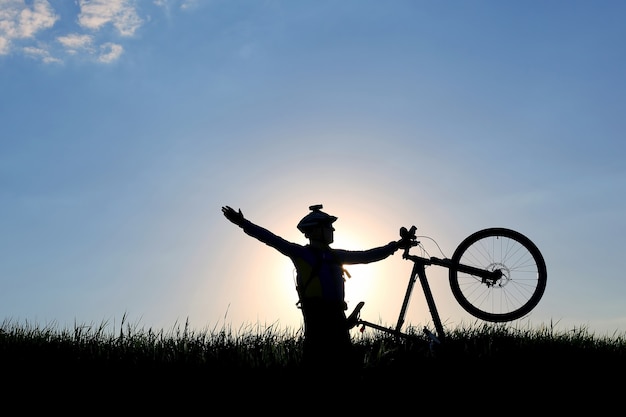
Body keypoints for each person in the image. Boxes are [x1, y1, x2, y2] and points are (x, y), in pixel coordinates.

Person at [221, 204, 416, 372]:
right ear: (315, 230)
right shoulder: (301, 253)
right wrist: (242, 223)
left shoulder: (336, 255)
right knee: (317, 370)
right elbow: (271, 238)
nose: (332, 230)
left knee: (347, 370)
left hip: (338, 320)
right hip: (317, 321)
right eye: (328, 226)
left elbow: (368, 256)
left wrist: (397, 245)